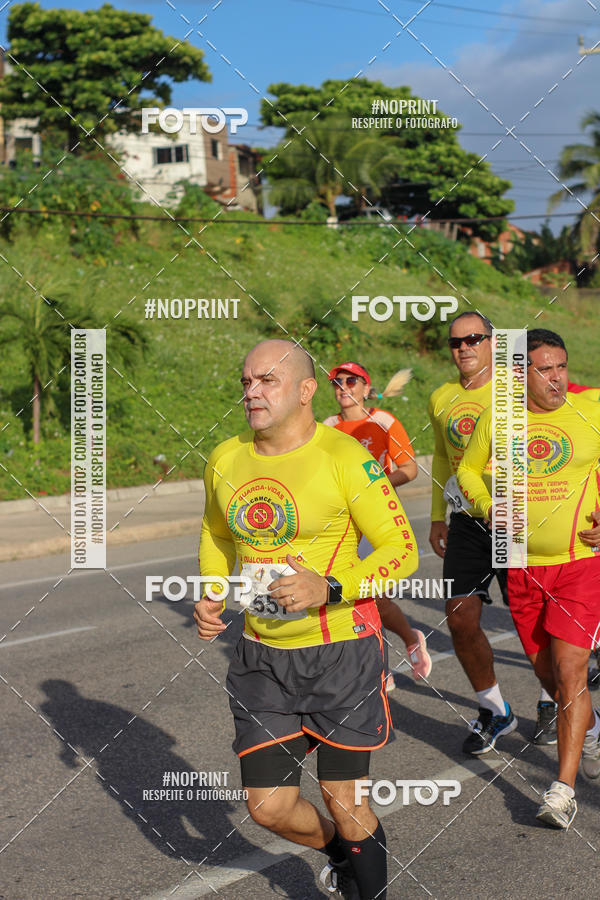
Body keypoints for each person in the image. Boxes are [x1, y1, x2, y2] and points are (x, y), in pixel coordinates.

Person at [194, 339, 419, 899]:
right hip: (261, 654)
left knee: (347, 803)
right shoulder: (226, 458)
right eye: (246, 381)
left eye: (267, 381)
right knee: (268, 808)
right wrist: (211, 590)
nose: (251, 392)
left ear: (305, 390)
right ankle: (341, 853)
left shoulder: (344, 458)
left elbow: (402, 549)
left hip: (341, 651)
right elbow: (217, 532)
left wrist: (331, 586)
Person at [457, 328, 600, 829]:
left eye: (561, 366)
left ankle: (562, 789)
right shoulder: (501, 417)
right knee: (546, 675)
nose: (557, 377)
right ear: (522, 374)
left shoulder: (592, 410)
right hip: (518, 562)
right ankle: (591, 725)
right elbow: (468, 473)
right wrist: (487, 505)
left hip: (580, 561)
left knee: (569, 670)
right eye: (545, 368)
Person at [428, 312, 524, 754]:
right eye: (455, 342)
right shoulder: (441, 397)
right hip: (467, 519)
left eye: (473, 339)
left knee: (532, 619)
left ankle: (552, 701)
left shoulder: (515, 388)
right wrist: (437, 517)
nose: (463, 348)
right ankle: (494, 710)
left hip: (516, 514)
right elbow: (444, 460)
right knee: (460, 616)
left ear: (492, 342)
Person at [324, 361, 432, 690]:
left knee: (371, 594)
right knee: (351, 594)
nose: (343, 386)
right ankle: (379, 665)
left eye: (351, 380)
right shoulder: (327, 427)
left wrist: (375, 484)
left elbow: (409, 469)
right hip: (343, 522)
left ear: (365, 387)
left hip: (377, 517)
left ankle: (408, 638)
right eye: (337, 381)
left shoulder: (383, 421)